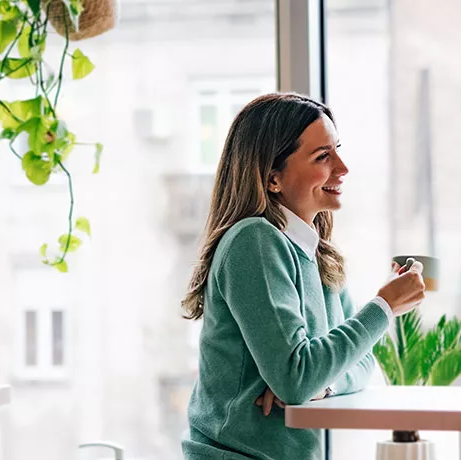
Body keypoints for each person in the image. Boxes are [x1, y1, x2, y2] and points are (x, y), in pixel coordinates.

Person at [180, 92, 426, 460]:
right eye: (323, 156)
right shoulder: (254, 241)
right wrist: (384, 306)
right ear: (272, 177)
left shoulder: (319, 254)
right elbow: (296, 378)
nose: (342, 168)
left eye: (337, 149)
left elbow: (361, 364)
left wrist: (321, 386)